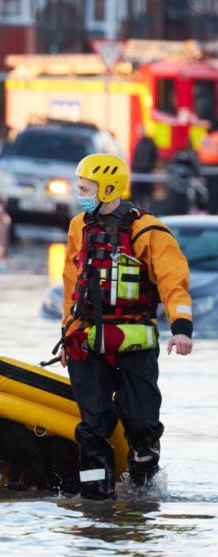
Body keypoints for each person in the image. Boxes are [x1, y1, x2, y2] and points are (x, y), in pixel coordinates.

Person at [57, 153, 192, 500]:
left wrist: (181, 327)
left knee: (142, 422)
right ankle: (95, 499)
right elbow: (72, 284)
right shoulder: (78, 228)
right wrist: (67, 333)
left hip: (135, 338)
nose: (79, 193)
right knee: (92, 426)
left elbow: (172, 279)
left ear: (108, 188)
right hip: (87, 338)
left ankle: (144, 492)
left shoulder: (147, 230)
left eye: (85, 188)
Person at [130, 125, 158, 207]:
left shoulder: (148, 143)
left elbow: (153, 157)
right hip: (139, 172)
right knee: (139, 193)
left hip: (146, 171)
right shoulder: (140, 142)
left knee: (145, 193)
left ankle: (147, 208)